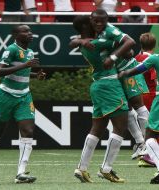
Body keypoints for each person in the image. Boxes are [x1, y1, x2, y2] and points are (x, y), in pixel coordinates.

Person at [0, 25, 46, 184]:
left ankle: (21, 173)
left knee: (28, 130)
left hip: (24, 97)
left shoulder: (29, 51)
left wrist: (35, 75)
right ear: (15, 35)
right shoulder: (11, 49)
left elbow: (22, 72)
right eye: (25, 31)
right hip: (5, 96)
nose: (29, 33)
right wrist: (26, 65)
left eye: (30, 31)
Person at [70, 15, 129, 183]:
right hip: (109, 86)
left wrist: (78, 41)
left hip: (98, 85)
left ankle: (81, 168)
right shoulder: (96, 43)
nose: (95, 25)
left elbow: (75, 42)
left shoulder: (87, 43)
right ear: (84, 28)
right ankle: (106, 168)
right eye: (90, 23)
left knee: (97, 127)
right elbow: (126, 44)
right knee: (120, 126)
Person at [90, 9, 149, 160]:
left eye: (101, 20)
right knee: (125, 108)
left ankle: (148, 144)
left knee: (138, 105)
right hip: (116, 75)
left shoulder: (111, 30)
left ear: (106, 20)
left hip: (128, 68)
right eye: (95, 20)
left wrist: (114, 55)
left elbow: (129, 44)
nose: (98, 23)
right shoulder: (95, 34)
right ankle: (141, 142)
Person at [118, 36, 159, 184]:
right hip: (150, 95)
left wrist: (121, 74)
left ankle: (146, 153)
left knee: (150, 134)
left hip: (150, 95)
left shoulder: (152, 58)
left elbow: (137, 71)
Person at [135, 33, 157, 167]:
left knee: (150, 127)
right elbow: (154, 77)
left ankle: (146, 153)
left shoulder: (136, 58)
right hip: (152, 94)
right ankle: (148, 155)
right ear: (154, 46)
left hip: (138, 95)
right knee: (154, 126)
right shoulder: (153, 59)